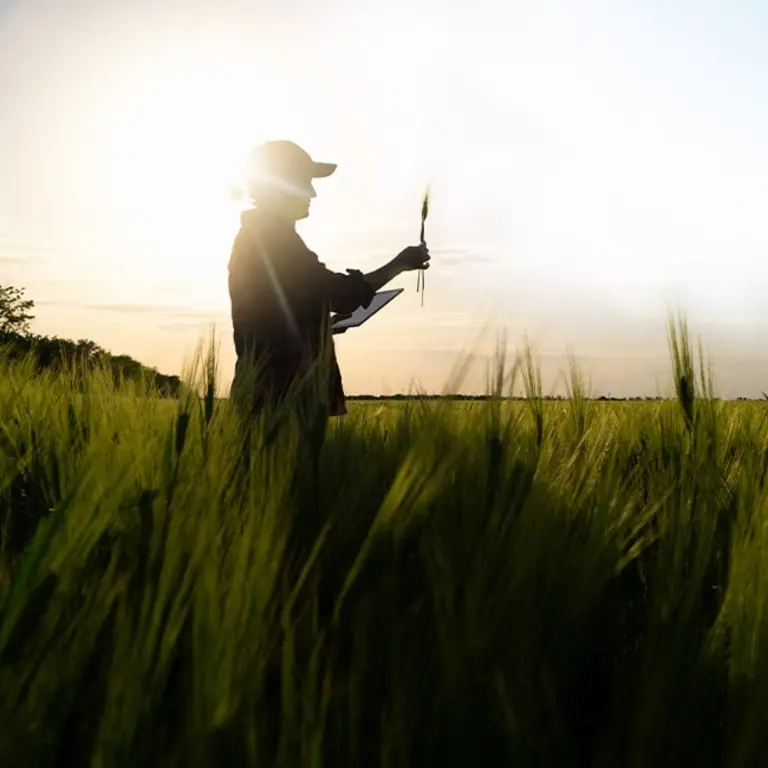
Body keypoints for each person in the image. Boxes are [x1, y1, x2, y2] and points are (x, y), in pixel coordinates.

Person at [228, 140, 430, 419]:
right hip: (281, 395)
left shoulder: (261, 237)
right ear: (280, 186)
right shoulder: (273, 240)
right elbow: (339, 293)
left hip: (270, 393)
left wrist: (320, 324)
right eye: (304, 182)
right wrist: (399, 264)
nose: (312, 193)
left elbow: (276, 312)